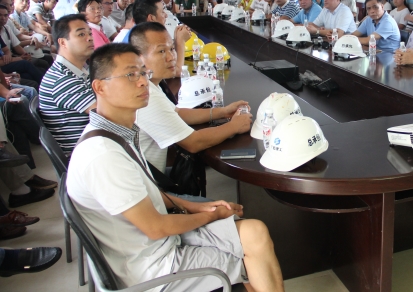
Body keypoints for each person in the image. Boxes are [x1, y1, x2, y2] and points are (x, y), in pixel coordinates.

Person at [67, 43, 284, 291]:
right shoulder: (103, 155)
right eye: (130, 75)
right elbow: (156, 228)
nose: (142, 82)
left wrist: (193, 206)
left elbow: (144, 192)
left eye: (143, 73)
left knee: (255, 232)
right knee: (251, 262)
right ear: (100, 87)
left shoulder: (117, 132)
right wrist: (211, 215)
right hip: (154, 267)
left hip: (161, 242)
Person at [130, 22, 254, 173]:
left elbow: (178, 113)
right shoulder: (145, 96)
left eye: (172, 49)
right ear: (138, 58)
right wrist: (235, 126)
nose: (171, 57)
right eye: (161, 51)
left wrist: (222, 112)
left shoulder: (151, 85)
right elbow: (193, 142)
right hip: (151, 183)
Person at [40, 14, 96, 155]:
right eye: (81, 34)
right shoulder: (62, 79)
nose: (90, 38)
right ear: (63, 42)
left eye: (90, 33)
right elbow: (108, 114)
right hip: (85, 154)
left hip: (94, 142)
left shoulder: (79, 70)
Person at [129, 0, 191, 76]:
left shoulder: (139, 33)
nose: (166, 15)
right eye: (162, 12)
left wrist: (176, 39)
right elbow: (176, 72)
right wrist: (180, 41)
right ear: (151, 18)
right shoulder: (142, 39)